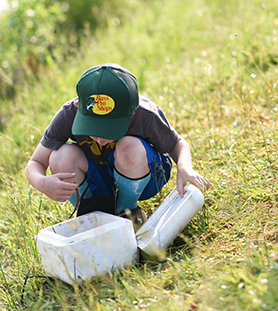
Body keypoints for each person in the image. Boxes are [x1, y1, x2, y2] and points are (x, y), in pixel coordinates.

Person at [25, 63, 210, 228]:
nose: (100, 140)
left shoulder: (145, 114)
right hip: (99, 177)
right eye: (92, 129)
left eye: (109, 131)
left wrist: (185, 167)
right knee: (59, 156)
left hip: (143, 175)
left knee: (128, 147)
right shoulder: (68, 114)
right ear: (78, 105)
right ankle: (92, 216)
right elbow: (35, 163)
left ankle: (127, 213)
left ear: (133, 111)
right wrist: (42, 183)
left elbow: (177, 143)